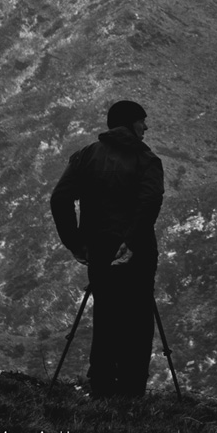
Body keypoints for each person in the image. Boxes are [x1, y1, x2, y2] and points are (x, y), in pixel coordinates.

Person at [50, 100, 165, 399]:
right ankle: (131, 392)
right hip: (138, 254)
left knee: (106, 315)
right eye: (142, 121)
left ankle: (102, 387)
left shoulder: (87, 156)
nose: (146, 127)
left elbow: (60, 198)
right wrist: (131, 240)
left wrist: (75, 242)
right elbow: (149, 202)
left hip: (99, 250)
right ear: (129, 123)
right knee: (138, 320)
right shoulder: (147, 160)